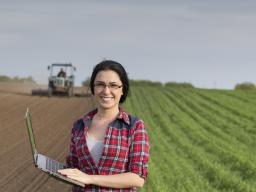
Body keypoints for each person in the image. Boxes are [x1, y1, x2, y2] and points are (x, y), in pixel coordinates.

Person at [58, 60, 150, 191]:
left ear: (122, 89)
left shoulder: (134, 127)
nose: (106, 91)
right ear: (93, 88)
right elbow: (74, 168)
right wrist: (54, 169)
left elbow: (137, 178)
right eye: (100, 85)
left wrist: (90, 178)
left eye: (113, 85)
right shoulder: (79, 126)